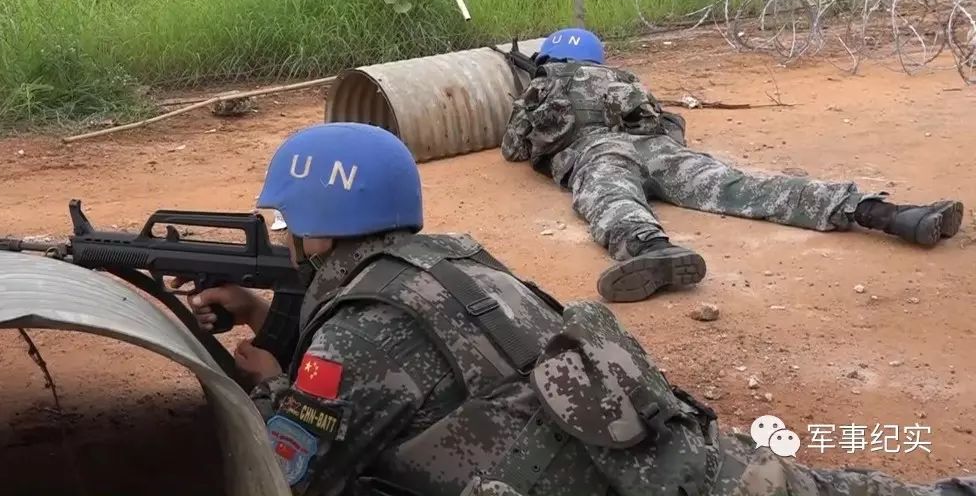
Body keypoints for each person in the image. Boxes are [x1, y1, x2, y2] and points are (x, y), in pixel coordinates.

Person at [179, 121, 975, 496]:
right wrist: (259, 308)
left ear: (320, 225)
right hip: (685, 463)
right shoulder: (452, 262)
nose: (285, 233)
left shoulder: (354, 340)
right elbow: (419, 359)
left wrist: (270, 383)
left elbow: (290, 475)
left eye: (289, 219)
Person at [500, 27, 965, 304]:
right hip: (658, 148)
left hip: (600, 151)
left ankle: (650, 248)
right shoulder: (622, 77)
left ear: (550, 58)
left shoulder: (545, 83)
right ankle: (885, 213)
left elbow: (515, 149)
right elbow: (664, 120)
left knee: (610, 195)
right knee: (744, 188)